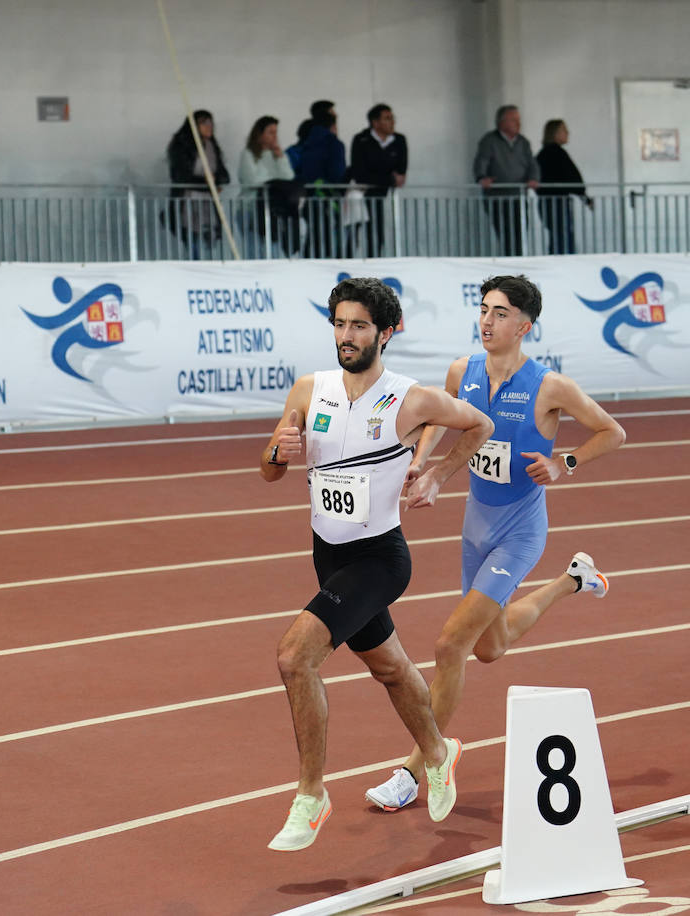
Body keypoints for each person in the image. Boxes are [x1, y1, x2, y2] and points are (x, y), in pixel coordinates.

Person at [364, 274, 626, 812]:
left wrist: (564, 462)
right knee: (490, 646)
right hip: (475, 527)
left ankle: (420, 767)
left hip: (520, 530)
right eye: (484, 309)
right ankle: (573, 580)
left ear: (524, 326)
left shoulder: (550, 387)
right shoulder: (464, 371)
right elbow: (440, 419)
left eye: (500, 313)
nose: (487, 321)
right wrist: (423, 463)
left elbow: (611, 431)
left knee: (449, 645)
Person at [262, 277, 494, 851]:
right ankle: (439, 753)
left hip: (380, 559)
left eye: (359, 326)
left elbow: (479, 425)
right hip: (328, 555)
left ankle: (310, 797)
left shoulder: (410, 398)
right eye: (339, 324)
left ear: (385, 332)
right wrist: (275, 454)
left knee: (295, 657)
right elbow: (270, 468)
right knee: (390, 669)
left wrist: (436, 474)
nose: (346, 336)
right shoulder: (308, 390)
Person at [473, 105, 539, 256]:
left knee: (520, 233)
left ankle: (519, 263)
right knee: (505, 234)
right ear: (502, 122)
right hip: (498, 198)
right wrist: (482, 178)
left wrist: (534, 178)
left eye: (518, 120)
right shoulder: (489, 141)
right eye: (514, 120)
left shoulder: (523, 142)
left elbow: (532, 164)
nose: (518, 123)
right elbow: (481, 161)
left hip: (518, 197)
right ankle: (510, 264)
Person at [165, 110, 231, 258]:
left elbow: (224, 175)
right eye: (204, 123)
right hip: (187, 203)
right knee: (192, 239)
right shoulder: (181, 145)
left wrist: (215, 180)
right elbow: (180, 176)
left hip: (208, 204)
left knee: (208, 242)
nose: (209, 126)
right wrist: (205, 182)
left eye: (211, 123)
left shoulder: (211, 146)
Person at [349, 103, 408, 257]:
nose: (392, 121)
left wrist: (378, 177)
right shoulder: (361, 140)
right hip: (360, 194)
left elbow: (401, 176)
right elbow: (360, 174)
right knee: (354, 230)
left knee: (377, 230)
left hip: (383, 194)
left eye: (392, 118)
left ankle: (375, 261)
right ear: (375, 123)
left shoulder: (399, 140)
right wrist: (388, 178)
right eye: (387, 118)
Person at [238, 115, 299, 256]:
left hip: (273, 208)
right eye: (270, 132)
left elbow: (289, 178)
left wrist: (280, 159)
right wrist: (272, 182)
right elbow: (250, 179)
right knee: (254, 246)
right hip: (250, 207)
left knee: (273, 245)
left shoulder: (277, 154)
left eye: (276, 132)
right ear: (260, 134)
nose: (274, 136)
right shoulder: (248, 153)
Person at [291, 108, 348, 258]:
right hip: (329, 198)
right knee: (329, 239)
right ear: (332, 125)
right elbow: (338, 173)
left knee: (314, 236)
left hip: (309, 197)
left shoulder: (306, 145)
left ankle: (311, 269)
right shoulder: (333, 143)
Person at [535, 119, 591, 255]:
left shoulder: (543, 154)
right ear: (555, 133)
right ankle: (565, 265)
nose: (567, 133)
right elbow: (573, 177)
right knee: (563, 237)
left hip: (547, 203)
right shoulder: (557, 153)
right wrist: (584, 197)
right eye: (564, 130)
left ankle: (557, 262)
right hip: (557, 203)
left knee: (557, 237)